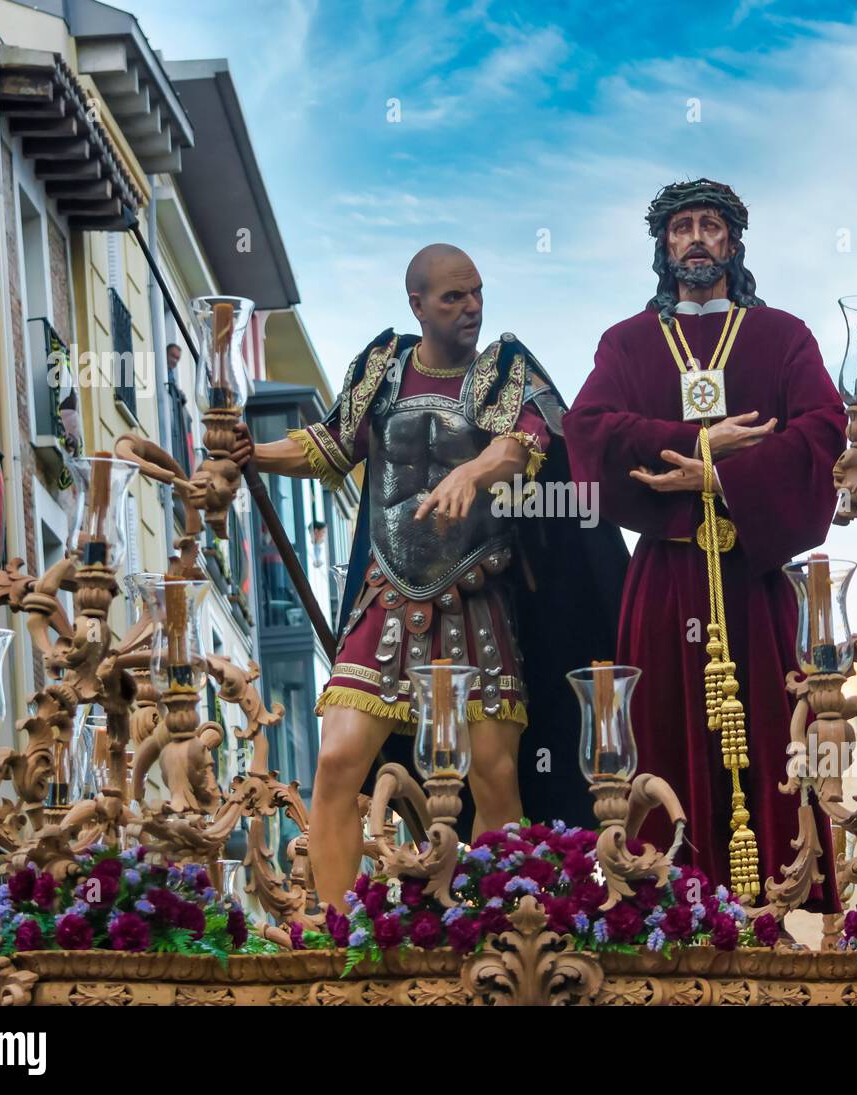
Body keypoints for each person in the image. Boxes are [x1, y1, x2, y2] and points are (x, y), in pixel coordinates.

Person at [232, 244, 625, 911]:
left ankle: (504, 922)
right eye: (453, 297)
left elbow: (523, 445)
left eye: (476, 292)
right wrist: (255, 454)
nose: (471, 307)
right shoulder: (381, 368)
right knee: (335, 763)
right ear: (416, 303)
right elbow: (328, 446)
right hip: (386, 601)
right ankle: (332, 935)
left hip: (476, 600)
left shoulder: (506, 370)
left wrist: (472, 472)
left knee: (497, 775)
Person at [564, 180, 848, 918]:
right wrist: (692, 442)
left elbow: (822, 427)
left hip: (752, 578)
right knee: (662, 733)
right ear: (663, 246)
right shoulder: (626, 342)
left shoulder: (783, 336)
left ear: (733, 243)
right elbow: (587, 430)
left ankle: (776, 909)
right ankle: (671, 910)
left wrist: (718, 475)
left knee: (776, 735)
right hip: (665, 580)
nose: (696, 238)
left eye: (711, 227)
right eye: (682, 227)